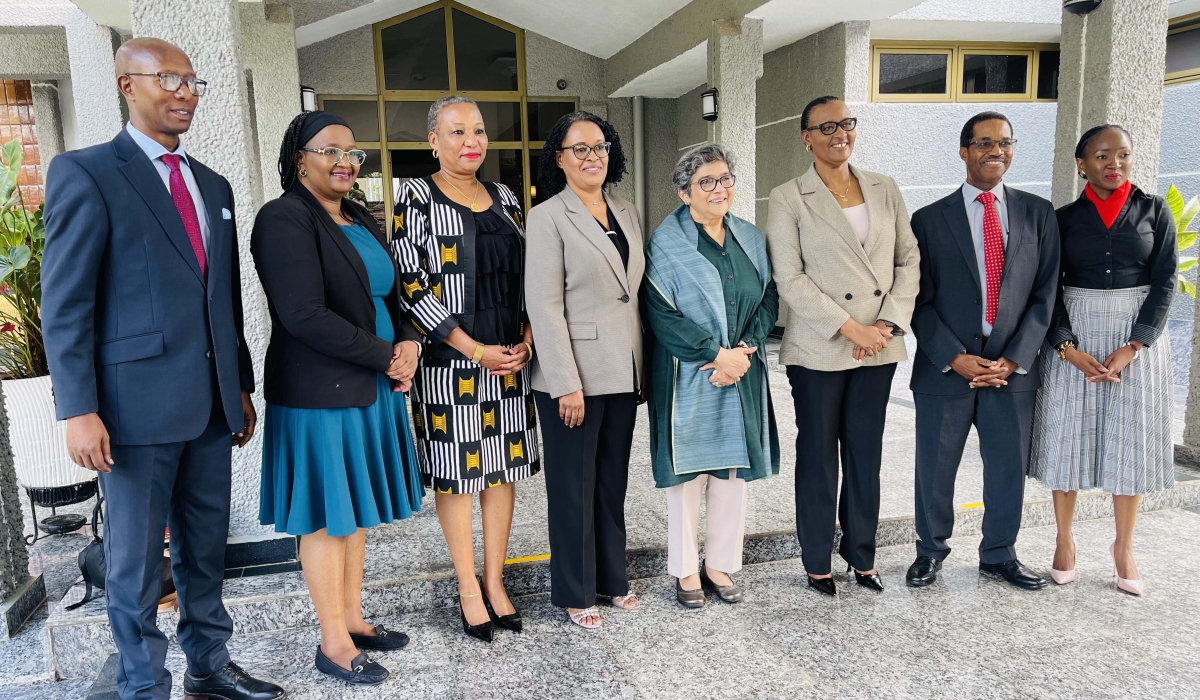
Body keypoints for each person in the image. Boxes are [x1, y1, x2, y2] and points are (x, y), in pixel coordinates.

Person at [40, 38, 284, 700]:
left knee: (206, 549)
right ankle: (143, 684)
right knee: (136, 562)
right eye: (167, 78)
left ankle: (209, 664)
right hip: (130, 412)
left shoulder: (212, 184)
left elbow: (222, 297)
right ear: (127, 85)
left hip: (208, 407)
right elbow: (64, 303)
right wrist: (77, 407)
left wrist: (238, 383)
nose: (184, 92)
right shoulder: (86, 172)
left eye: (192, 81)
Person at [252, 111, 424, 684]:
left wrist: (408, 342)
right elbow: (302, 315)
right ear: (299, 157)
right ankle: (331, 642)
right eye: (329, 151)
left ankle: (352, 618)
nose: (345, 161)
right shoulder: (283, 220)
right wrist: (386, 356)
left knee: (352, 513)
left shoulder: (359, 217)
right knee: (329, 518)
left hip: (371, 381)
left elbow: (392, 295)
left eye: (353, 152)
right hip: (320, 394)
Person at [391, 95, 538, 643]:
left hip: (509, 360)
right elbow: (411, 284)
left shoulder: (505, 197)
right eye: (456, 132)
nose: (470, 141)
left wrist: (525, 338)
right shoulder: (415, 195)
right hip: (451, 363)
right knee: (458, 478)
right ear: (433, 140)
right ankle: (466, 587)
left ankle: (496, 581)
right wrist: (473, 349)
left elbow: (529, 276)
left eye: (477, 131)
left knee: (502, 473)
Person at [765, 96, 920, 597]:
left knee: (863, 453)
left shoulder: (885, 187)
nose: (840, 134)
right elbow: (789, 278)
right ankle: (816, 560)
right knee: (817, 455)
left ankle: (862, 555)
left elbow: (909, 260)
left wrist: (887, 325)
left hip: (879, 344)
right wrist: (850, 328)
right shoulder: (790, 196)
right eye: (826, 126)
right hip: (819, 346)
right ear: (806, 135)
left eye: (846, 123)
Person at [906, 111, 1059, 591]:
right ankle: (930, 552)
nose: (997, 151)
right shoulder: (928, 220)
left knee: (1007, 468)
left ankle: (998, 554)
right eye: (986, 142)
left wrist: (1014, 359)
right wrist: (953, 356)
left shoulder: (1039, 213)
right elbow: (917, 299)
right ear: (964, 151)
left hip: (1011, 372)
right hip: (946, 371)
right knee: (934, 468)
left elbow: (1046, 295)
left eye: (1005, 142)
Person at [1030, 125, 1177, 596]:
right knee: (1068, 434)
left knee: (1128, 439)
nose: (1114, 164)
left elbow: (1166, 282)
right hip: (1077, 333)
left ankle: (1123, 547)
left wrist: (1135, 344)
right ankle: (1064, 539)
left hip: (1135, 341)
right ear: (1081, 164)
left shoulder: (1156, 211)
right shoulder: (1062, 218)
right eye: (1102, 155)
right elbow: (1047, 286)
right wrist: (1066, 347)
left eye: (1123, 155)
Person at [644, 144, 779, 608]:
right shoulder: (665, 243)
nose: (719, 189)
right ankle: (685, 571)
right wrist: (715, 355)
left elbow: (768, 299)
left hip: (742, 368)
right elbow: (661, 313)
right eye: (707, 182)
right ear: (684, 192)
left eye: (725, 179)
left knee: (730, 474)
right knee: (687, 478)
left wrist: (743, 351)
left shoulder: (751, 238)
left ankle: (720, 565)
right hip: (687, 372)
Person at [525, 111, 644, 629]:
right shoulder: (547, 216)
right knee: (573, 487)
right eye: (580, 149)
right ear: (560, 158)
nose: (593, 156)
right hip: (573, 375)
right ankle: (576, 590)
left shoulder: (626, 210)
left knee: (611, 482)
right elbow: (544, 304)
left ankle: (612, 578)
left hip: (624, 368)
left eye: (600, 146)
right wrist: (566, 383)